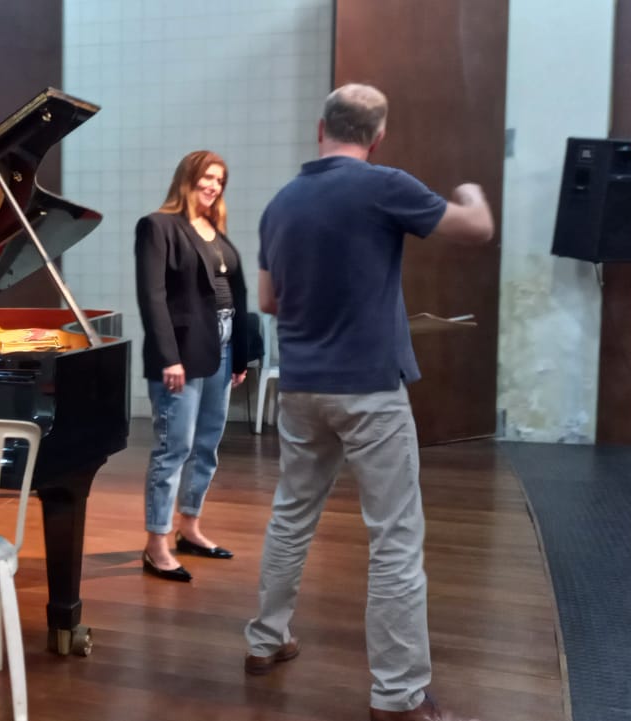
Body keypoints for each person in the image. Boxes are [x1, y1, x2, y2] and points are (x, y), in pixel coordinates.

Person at [244, 84, 493, 721]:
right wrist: (471, 193)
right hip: (370, 391)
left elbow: (268, 301)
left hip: (301, 388)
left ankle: (266, 639)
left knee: (291, 516)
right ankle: (398, 694)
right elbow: (476, 229)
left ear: (319, 128)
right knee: (394, 538)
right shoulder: (384, 185)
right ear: (377, 138)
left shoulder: (280, 203)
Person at [134, 150, 250, 582]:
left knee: (206, 447)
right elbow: (153, 297)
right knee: (174, 448)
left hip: (221, 347)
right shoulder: (158, 226)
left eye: (220, 180)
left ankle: (190, 527)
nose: (214, 186)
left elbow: (235, 295)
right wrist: (169, 357)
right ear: (188, 178)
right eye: (208, 177)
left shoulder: (215, 231)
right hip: (182, 352)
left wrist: (240, 354)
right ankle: (156, 543)